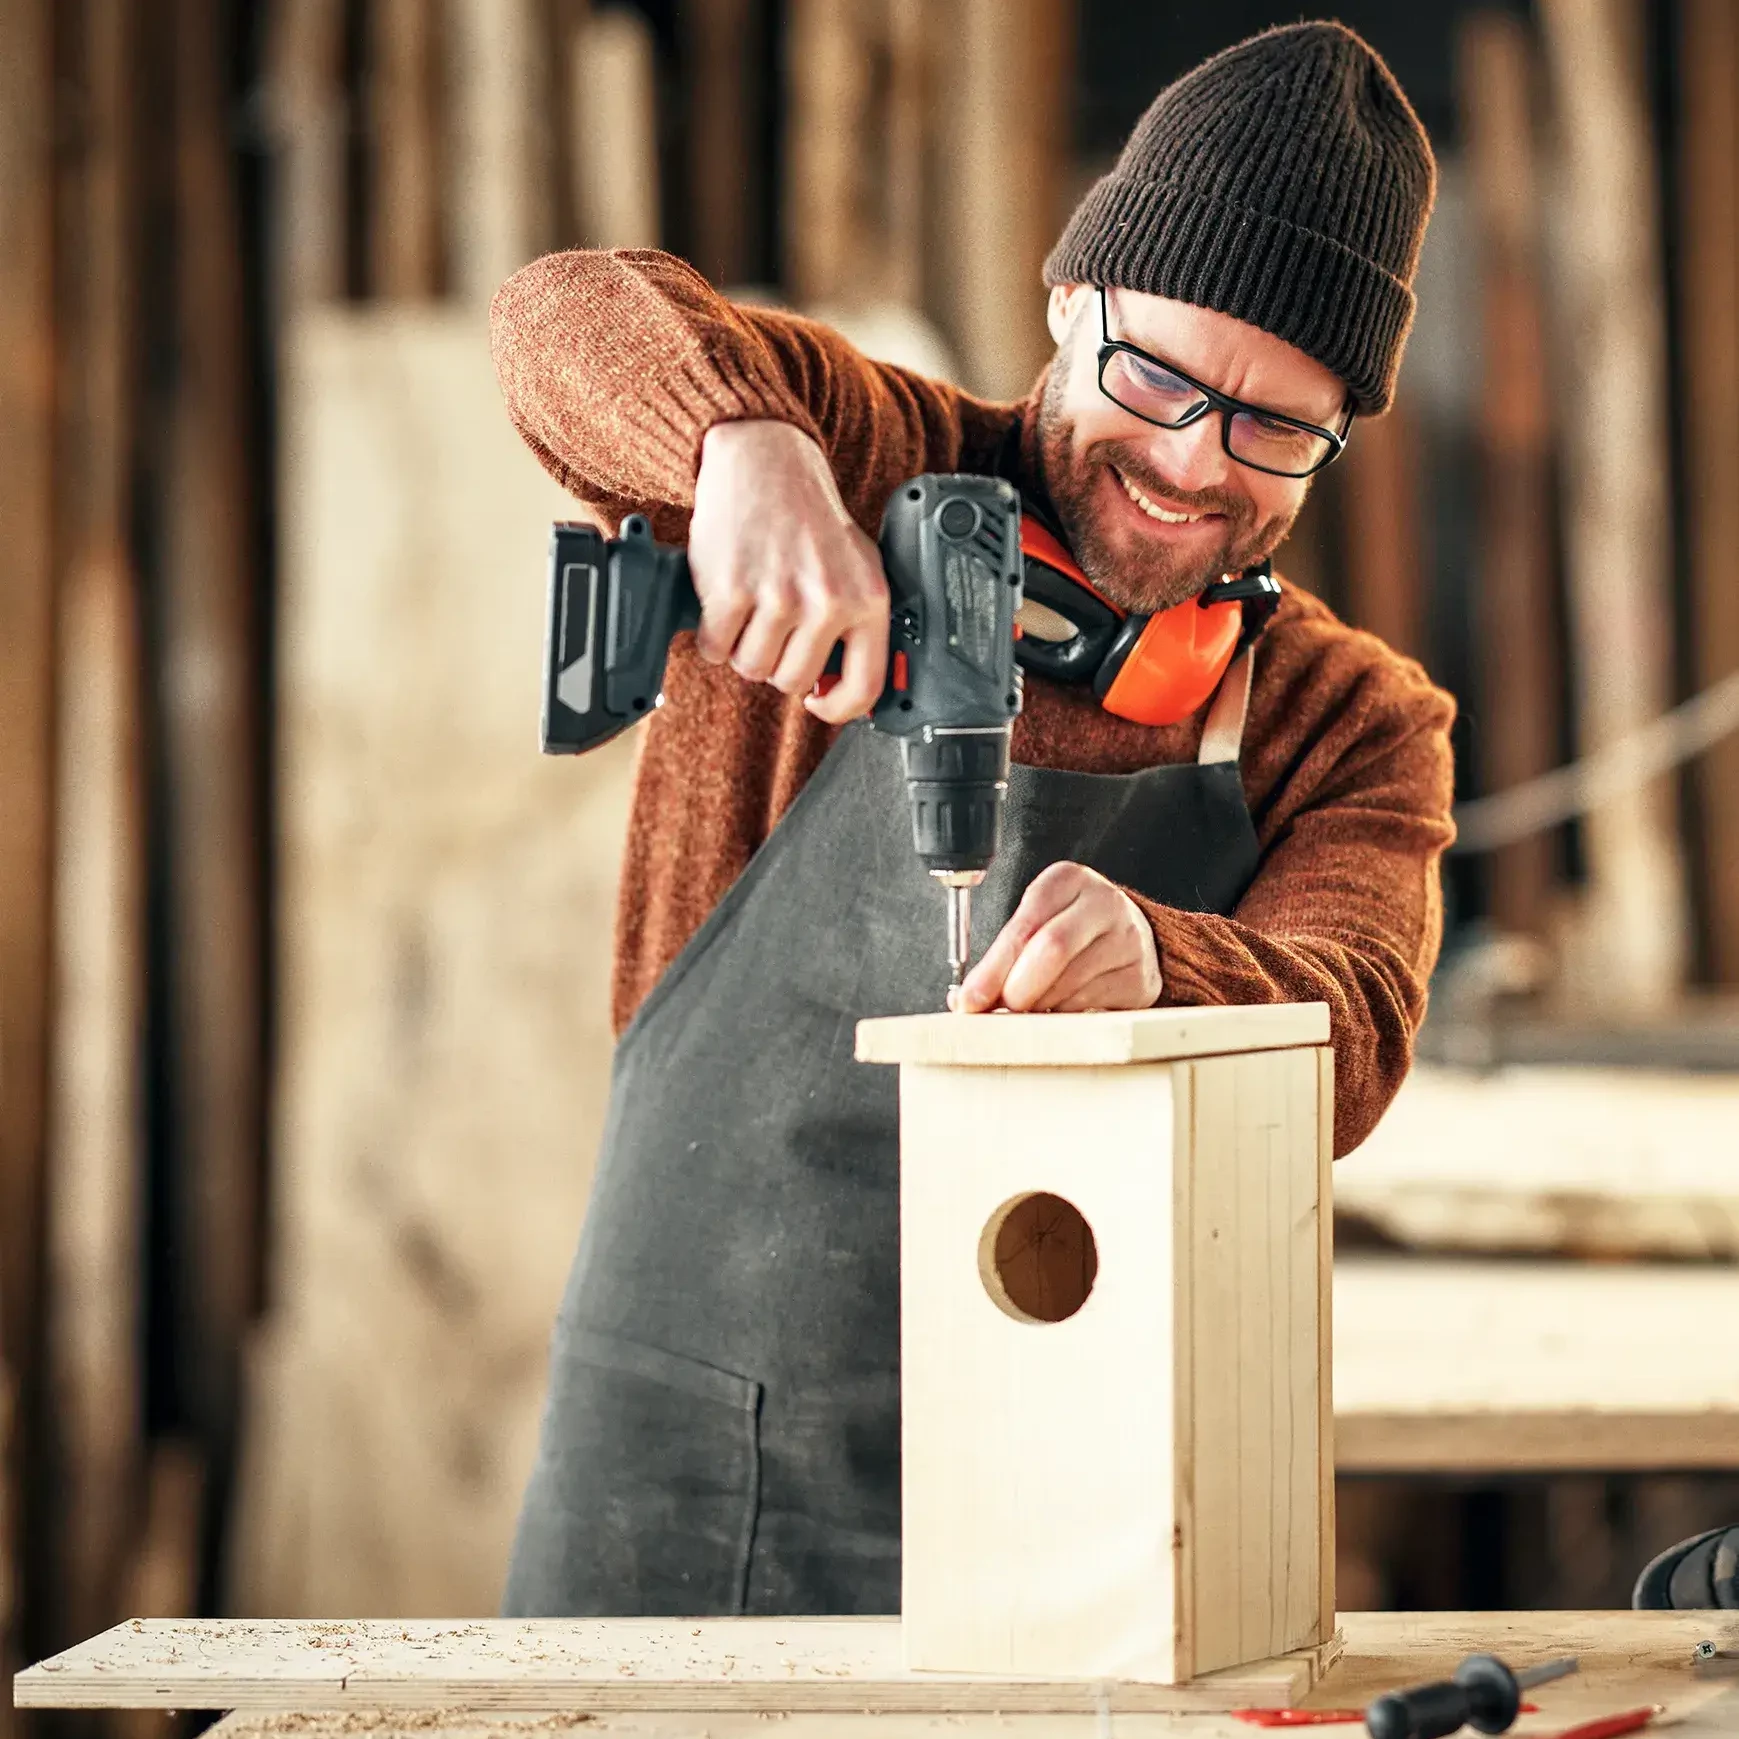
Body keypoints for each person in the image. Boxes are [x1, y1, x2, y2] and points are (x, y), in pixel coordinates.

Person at [492, 20, 1453, 1616]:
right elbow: (560, 313)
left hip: (1077, 1504)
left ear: (1336, 435)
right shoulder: (865, 451)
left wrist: (1163, 956)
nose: (1187, 462)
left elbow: (1351, 1025)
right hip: (676, 1464)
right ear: (1072, 305)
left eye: (1273, 429)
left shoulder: (1346, 717)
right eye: (1155, 375)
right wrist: (741, 447)